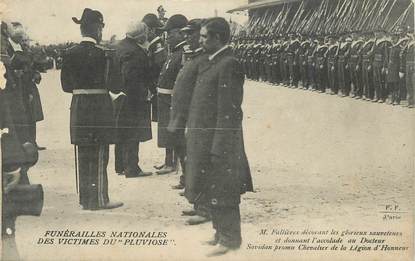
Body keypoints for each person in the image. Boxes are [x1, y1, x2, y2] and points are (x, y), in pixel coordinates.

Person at [187, 17, 253, 256]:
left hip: (221, 141)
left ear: (218, 38)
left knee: (225, 189)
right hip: (208, 138)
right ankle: (219, 232)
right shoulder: (213, 62)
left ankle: (230, 238)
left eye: (205, 36)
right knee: (213, 186)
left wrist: (219, 145)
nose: (200, 40)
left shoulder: (229, 64)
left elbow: (228, 111)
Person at [60, 8, 123, 210]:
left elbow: (66, 86)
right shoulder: (105, 55)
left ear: (81, 30)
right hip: (99, 107)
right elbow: (115, 86)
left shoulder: (69, 53)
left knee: (84, 150)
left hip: (79, 107)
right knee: (99, 152)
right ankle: (99, 199)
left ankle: (85, 199)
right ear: (98, 29)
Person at [166, 19, 211, 226]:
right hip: (184, 117)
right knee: (189, 160)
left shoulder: (204, 59)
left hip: (194, 118)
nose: (187, 37)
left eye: (191, 34)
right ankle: (197, 203)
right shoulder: (192, 57)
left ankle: (204, 208)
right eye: (185, 34)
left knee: (200, 162)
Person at [113, 22, 153, 178]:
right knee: (132, 133)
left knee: (121, 131)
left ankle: (120, 166)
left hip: (119, 96)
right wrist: (145, 93)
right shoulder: (136, 52)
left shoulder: (119, 46)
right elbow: (131, 77)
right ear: (140, 35)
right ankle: (132, 168)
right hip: (133, 98)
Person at [155, 14, 188, 175]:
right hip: (164, 98)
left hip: (171, 99)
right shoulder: (174, 51)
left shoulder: (183, 52)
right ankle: (168, 161)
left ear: (182, 33)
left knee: (173, 131)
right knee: (165, 130)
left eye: (171, 33)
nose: (167, 37)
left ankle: (173, 163)